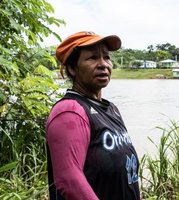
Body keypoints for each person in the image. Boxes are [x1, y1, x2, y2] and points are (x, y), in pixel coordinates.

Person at [46, 31, 140, 200]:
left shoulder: (111, 109)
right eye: (93, 58)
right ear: (72, 69)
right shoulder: (70, 111)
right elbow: (69, 180)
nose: (103, 64)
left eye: (106, 57)